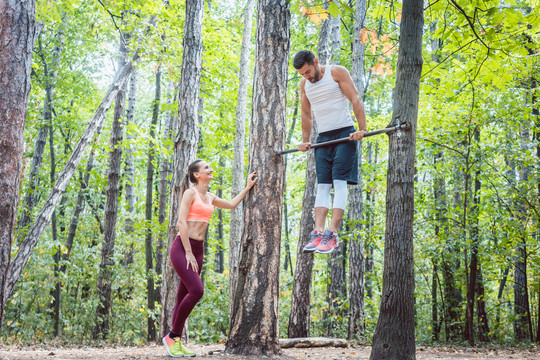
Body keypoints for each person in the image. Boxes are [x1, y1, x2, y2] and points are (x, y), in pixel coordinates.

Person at [162, 159, 257, 357]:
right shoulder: (190, 193)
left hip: (198, 249)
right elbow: (181, 222)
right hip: (182, 247)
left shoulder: (210, 197)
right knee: (196, 290)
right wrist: (187, 251)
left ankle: (175, 342)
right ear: (197, 175)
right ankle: (172, 336)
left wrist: (248, 187)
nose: (210, 169)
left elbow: (231, 205)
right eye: (206, 167)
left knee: (183, 294)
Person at [293, 49, 367, 254]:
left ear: (316, 62)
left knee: (339, 181)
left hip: (345, 134)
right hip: (323, 139)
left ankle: (332, 234)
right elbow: (306, 113)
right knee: (322, 185)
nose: (306, 76)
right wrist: (305, 141)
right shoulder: (304, 84)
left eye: (308, 71)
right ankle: (318, 233)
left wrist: (362, 129)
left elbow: (355, 99)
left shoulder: (337, 72)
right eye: (302, 74)